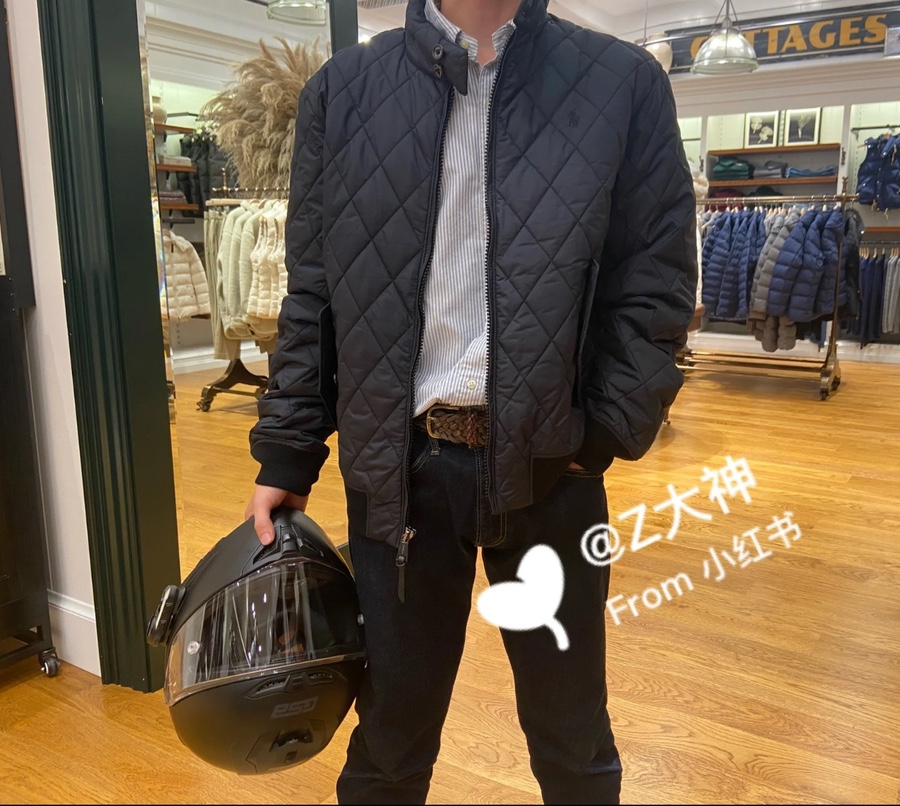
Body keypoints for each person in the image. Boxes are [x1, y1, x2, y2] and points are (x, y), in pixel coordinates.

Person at [243, 0, 697, 802]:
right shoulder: (343, 91)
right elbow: (313, 292)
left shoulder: (622, 83)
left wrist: (603, 432)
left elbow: (654, 279)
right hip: (398, 470)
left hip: (553, 465)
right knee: (390, 736)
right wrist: (288, 449)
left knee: (571, 731)